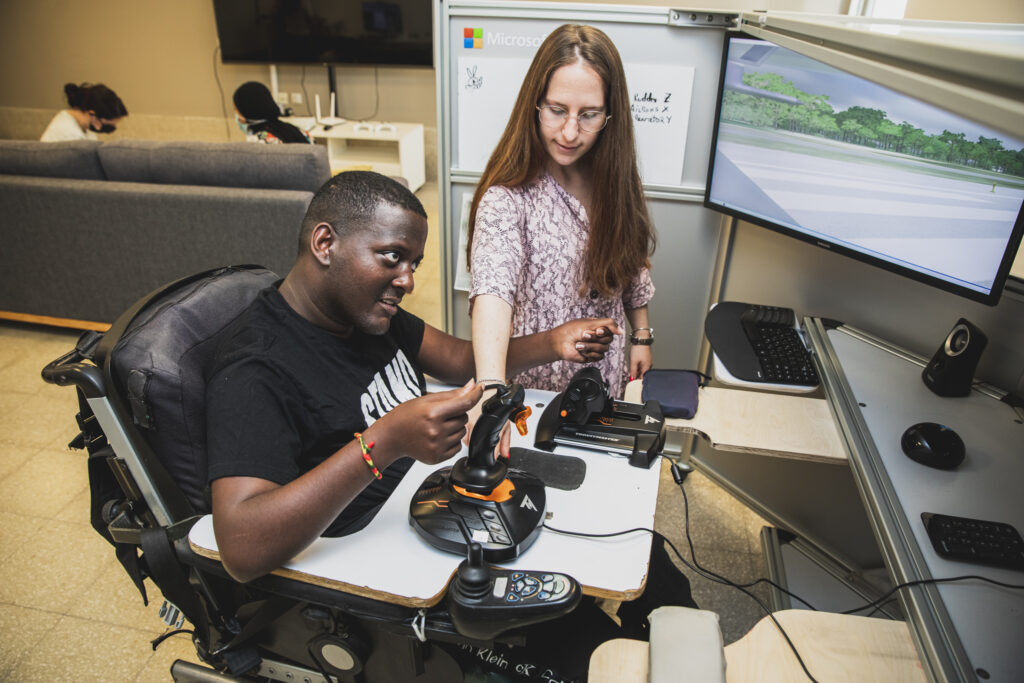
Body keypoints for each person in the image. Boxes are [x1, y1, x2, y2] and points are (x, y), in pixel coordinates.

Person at [205, 170, 620, 584]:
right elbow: (242, 549)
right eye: (392, 257)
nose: (408, 281)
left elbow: (458, 358)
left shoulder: (363, 313)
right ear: (325, 243)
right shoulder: (255, 368)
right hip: (380, 561)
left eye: (414, 263)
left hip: (430, 501)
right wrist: (385, 442)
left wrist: (553, 342)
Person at [468, 24, 656, 406]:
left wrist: (641, 336)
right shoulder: (508, 196)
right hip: (533, 390)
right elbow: (492, 293)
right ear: (534, 104)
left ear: (609, 115)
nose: (570, 132)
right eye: (556, 111)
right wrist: (490, 390)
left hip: (601, 384)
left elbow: (633, 264)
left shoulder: (618, 181)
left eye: (589, 115)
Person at [40, 82, 127, 142]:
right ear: (92, 114)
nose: (114, 128)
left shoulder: (81, 126)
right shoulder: (70, 135)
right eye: (108, 127)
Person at [232, 80, 311, 144]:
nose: (236, 115)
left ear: (247, 112)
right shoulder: (301, 132)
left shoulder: (258, 142)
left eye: (236, 110)